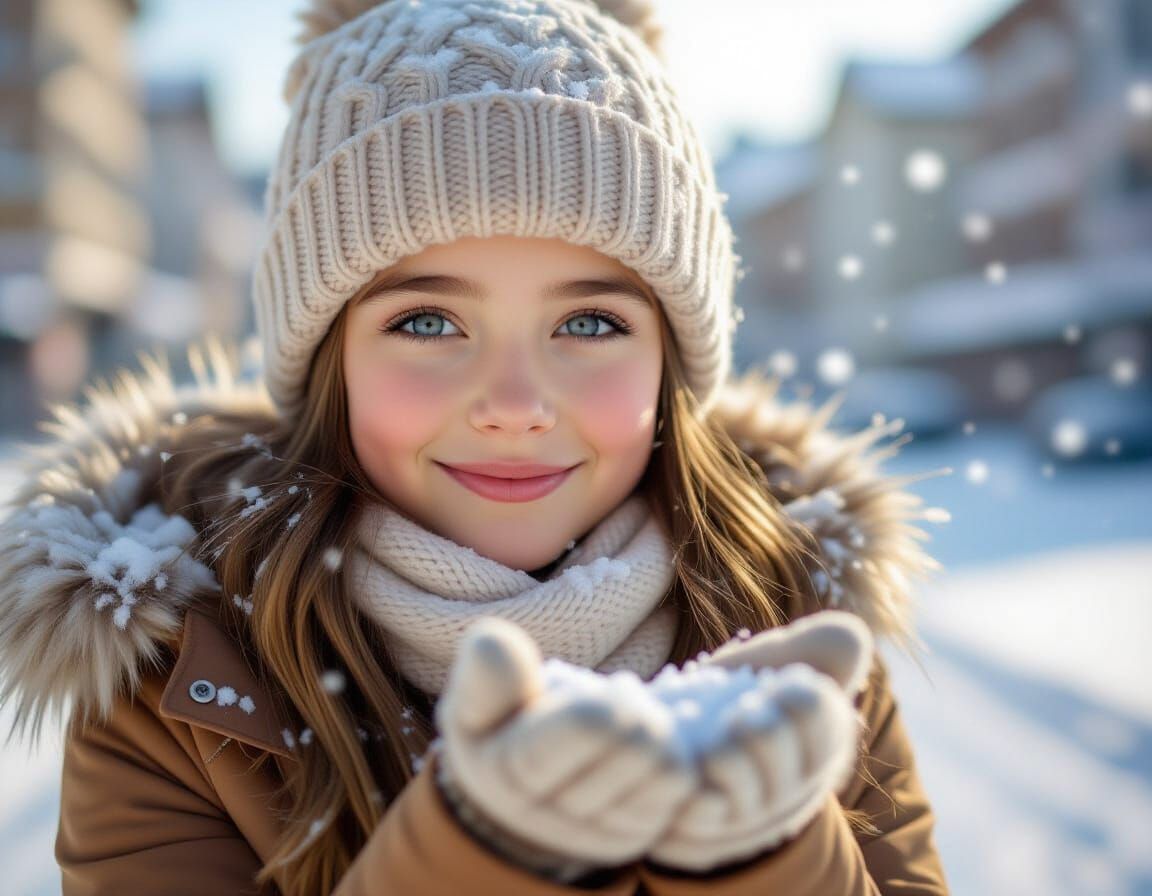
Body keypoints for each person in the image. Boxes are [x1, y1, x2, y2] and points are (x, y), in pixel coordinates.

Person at [0, 0, 952, 893]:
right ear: (329, 360)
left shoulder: (793, 630)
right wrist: (481, 846)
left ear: (671, 361)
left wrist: (765, 852)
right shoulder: (179, 677)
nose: (513, 406)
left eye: (587, 325)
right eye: (424, 322)